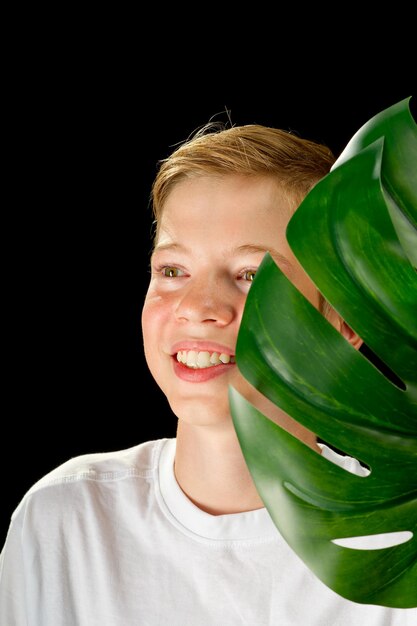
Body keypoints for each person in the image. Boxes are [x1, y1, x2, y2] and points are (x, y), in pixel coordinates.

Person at [1, 121, 415, 625]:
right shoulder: (67, 519)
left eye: (251, 275)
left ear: (344, 319)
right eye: (173, 271)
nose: (198, 307)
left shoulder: (397, 548)